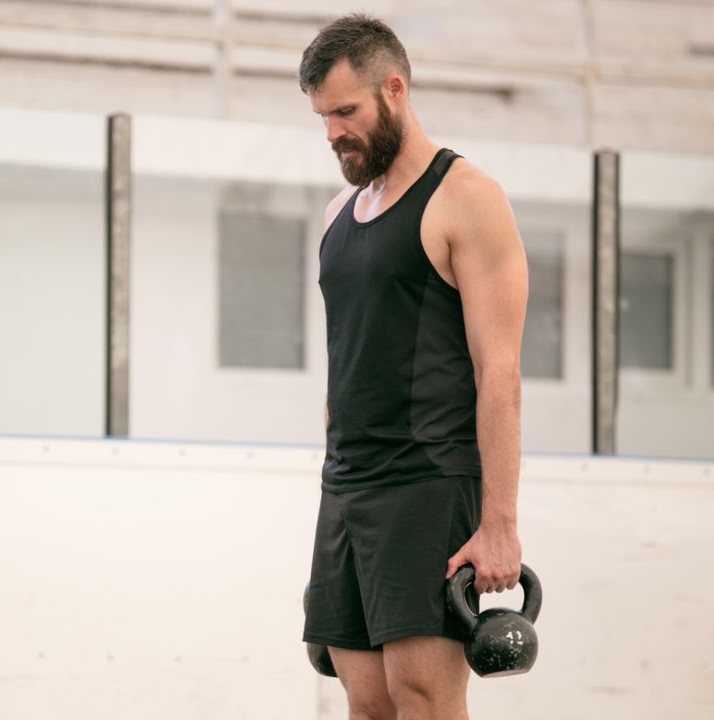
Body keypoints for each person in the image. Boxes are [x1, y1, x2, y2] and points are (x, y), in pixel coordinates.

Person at [298, 14, 529, 720]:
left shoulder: (466, 198)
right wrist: (332, 475)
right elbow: (349, 364)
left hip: (426, 482)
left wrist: (499, 523)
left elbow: (500, 373)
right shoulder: (341, 212)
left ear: (393, 90)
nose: (333, 131)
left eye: (346, 111)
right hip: (347, 489)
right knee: (365, 703)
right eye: (322, 117)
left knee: (424, 700)